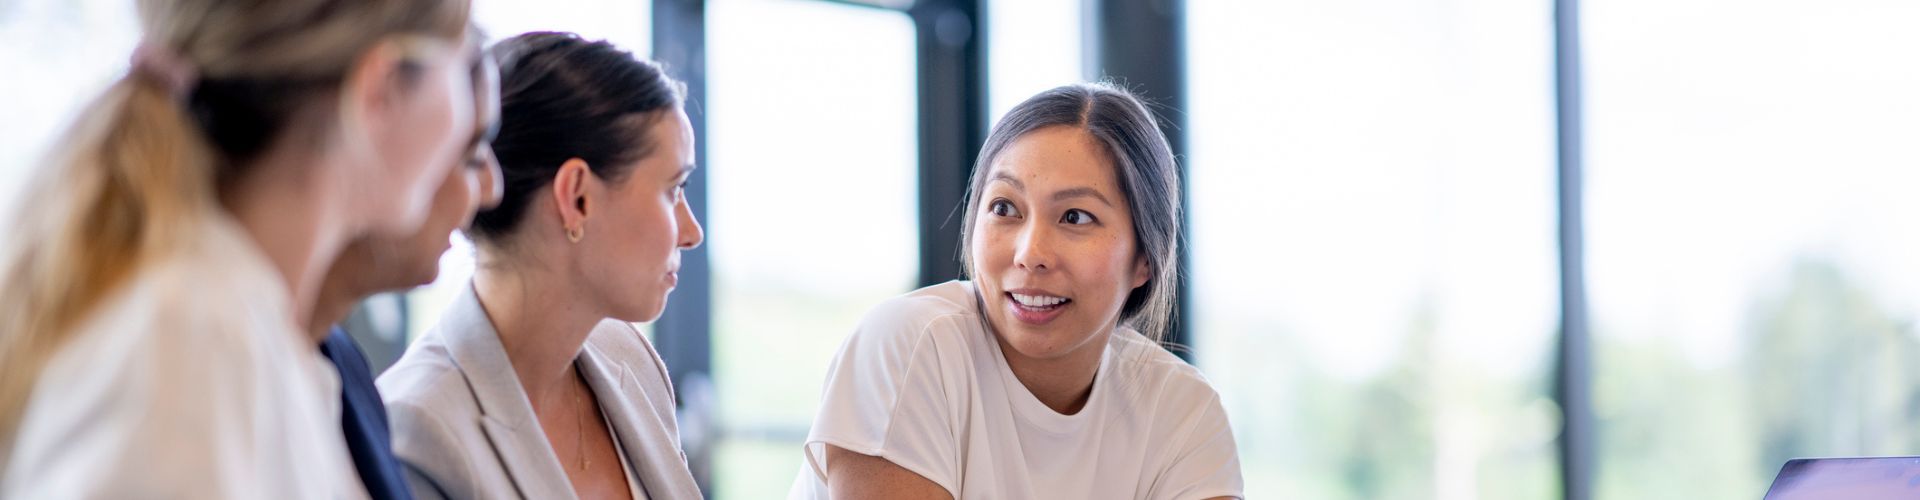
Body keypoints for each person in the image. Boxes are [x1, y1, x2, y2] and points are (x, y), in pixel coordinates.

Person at [0, 0, 478, 497]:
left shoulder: (248, 335)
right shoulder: (190, 348)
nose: (490, 184)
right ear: (378, 91)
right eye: (462, 68)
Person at [790, 83, 1244, 500]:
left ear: (1145, 257)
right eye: (1005, 208)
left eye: (1075, 217)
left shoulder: (1183, 410)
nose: (1030, 253)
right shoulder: (910, 344)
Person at [379, 32, 704, 500]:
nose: (692, 231)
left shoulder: (630, 359)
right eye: (673, 189)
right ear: (578, 198)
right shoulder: (417, 429)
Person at [309, 32, 504, 500]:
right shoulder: (200, 367)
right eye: (471, 152)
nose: (493, 189)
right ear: (375, 102)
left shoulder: (340, 364)